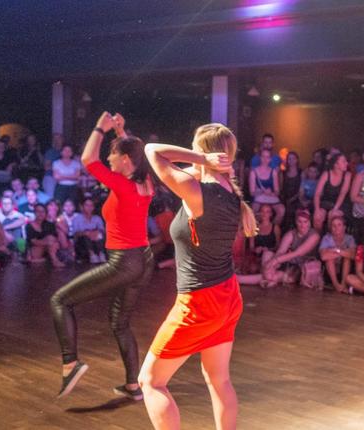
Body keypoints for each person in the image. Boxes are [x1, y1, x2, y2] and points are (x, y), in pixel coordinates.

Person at [139, 123, 257, 430]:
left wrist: (202, 159)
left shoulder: (196, 191)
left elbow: (152, 151)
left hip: (199, 303)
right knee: (219, 379)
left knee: (150, 381)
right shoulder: (229, 192)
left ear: (203, 152)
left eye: (193, 148)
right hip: (227, 297)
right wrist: (204, 162)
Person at [50, 112, 154, 399]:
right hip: (144, 260)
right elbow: (136, 156)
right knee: (120, 323)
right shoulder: (145, 183)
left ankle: (70, 363)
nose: (108, 158)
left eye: (113, 154)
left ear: (124, 160)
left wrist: (100, 128)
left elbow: (88, 159)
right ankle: (133, 386)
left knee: (60, 300)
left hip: (124, 262)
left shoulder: (121, 184)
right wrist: (120, 132)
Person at [238, 209, 320, 288]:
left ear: (309, 223)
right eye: (300, 222)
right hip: (289, 263)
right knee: (267, 255)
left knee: (271, 276)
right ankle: (268, 278)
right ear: (296, 222)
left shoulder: (314, 236)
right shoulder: (291, 233)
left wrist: (275, 261)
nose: (302, 225)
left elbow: (297, 253)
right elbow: (280, 251)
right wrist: (272, 265)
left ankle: (240, 279)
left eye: (305, 222)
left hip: (302, 267)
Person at [313, 152, 352, 231]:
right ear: (336, 164)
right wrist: (317, 210)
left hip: (342, 204)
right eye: (344, 161)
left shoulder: (348, 175)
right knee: (318, 217)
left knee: (333, 215)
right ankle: (317, 237)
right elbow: (317, 194)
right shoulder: (326, 174)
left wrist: (335, 209)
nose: (347, 163)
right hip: (327, 202)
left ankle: (330, 237)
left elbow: (343, 193)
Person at [319, 216, 356, 293]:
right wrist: (344, 252)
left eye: (339, 225)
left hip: (344, 268)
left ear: (344, 227)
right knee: (329, 259)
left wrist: (336, 250)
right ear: (331, 228)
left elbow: (353, 255)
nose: (336, 228)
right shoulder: (327, 238)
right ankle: (336, 285)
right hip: (331, 268)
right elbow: (323, 256)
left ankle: (343, 284)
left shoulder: (349, 238)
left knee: (347, 259)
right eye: (334, 225)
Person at [249, 148, 285, 225]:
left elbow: (277, 191)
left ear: (270, 159)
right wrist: (262, 192)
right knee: (252, 212)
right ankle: (257, 229)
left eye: (267, 157)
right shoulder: (254, 172)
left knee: (281, 210)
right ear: (260, 157)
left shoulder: (273, 172)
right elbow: (252, 193)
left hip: (271, 197)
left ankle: (273, 228)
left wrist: (270, 193)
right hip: (259, 197)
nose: (265, 159)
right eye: (263, 156)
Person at [72, 198, 106, 264]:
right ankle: (92, 255)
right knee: (85, 236)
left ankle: (101, 254)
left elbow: (102, 230)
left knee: (99, 235)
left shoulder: (97, 218)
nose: (89, 208)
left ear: (93, 207)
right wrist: (86, 233)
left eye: (91, 205)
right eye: (87, 205)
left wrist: (96, 232)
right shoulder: (77, 219)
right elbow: (75, 234)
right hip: (82, 244)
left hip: (96, 241)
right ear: (82, 207)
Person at [281, 151, 302, 230]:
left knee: (295, 208)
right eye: (289, 159)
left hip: (297, 197)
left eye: (293, 158)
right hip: (285, 198)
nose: (291, 160)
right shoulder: (283, 173)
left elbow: (302, 189)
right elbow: (281, 188)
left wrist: (293, 198)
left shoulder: (301, 172)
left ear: (297, 160)